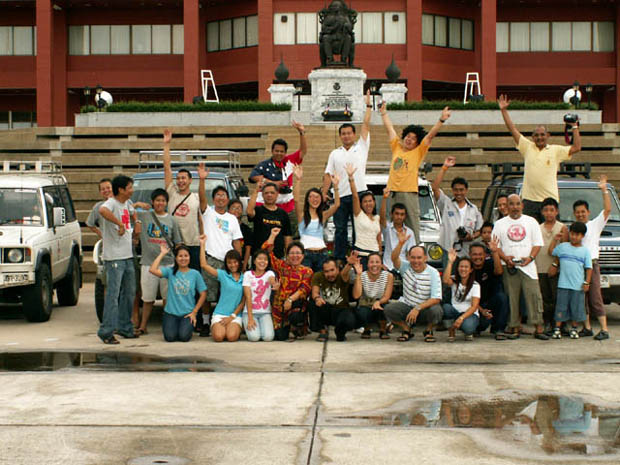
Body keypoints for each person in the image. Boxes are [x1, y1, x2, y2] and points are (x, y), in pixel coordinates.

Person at [498, 94, 581, 222]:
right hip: (529, 201)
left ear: (548, 135)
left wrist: (575, 126)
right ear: (532, 137)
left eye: (542, 135)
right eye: (536, 135)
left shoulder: (555, 150)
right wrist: (503, 110)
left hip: (549, 201)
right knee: (529, 232)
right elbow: (512, 129)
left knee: (550, 232)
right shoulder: (527, 147)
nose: (539, 138)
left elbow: (577, 147)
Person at [380, 100, 451, 244]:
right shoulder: (396, 147)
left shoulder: (418, 152)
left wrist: (441, 120)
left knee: (412, 225)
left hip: (408, 193)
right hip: (392, 192)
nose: (409, 139)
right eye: (408, 136)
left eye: (413, 138)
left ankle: (415, 250)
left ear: (417, 142)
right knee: (392, 227)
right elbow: (390, 129)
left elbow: (430, 136)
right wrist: (384, 113)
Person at [322, 91, 372, 264]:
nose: (346, 136)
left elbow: (366, 125)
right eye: (343, 133)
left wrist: (368, 106)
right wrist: (324, 192)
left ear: (354, 134)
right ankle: (339, 259)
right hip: (341, 196)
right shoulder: (334, 153)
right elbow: (328, 174)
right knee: (340, 229)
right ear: (340, 136)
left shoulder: (362, 147)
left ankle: (361, 258)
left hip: (360, 194)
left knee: (360, 228)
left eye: (349, 133)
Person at [492, 194, 548, 340]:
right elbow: (495, 246)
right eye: (511, 204)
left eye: (517, 204)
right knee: (512, 298)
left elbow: (537, 244)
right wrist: (505, 258)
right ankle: (514, 328)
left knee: (534, 296)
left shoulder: (531, 222)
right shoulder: (499, 224)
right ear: (507, 206)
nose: (515, 207)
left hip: (528, 266)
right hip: (509, 267)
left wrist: (530, 258)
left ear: (522, 205)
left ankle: (538, 328)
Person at [199, 164, 243, 335]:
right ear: (213, 199)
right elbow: (202, 199)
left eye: (223, 195)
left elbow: (237, 242)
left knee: (226, 293)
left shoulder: (232, 219)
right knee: (207, 293)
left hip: (228, 262)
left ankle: (226, 319)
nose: (220, 198)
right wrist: (202, 180)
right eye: (217, 195)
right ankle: (205, 322)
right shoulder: (208, 213)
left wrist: (240, 262)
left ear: (227, 199)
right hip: (210, 258)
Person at [97, 175, 141, 344]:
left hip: (127, 255)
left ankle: (125, 327)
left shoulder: (127, 203)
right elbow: (102, 211)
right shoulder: (111, 203)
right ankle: (106, 331)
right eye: (129, 187)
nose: (132, 190)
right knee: (113, 295)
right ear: (121, 190)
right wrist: (119, 224)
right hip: (114, 257)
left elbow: (133, 212)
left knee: (129, 292)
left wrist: (136, 223)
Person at [135, 188, 182, 335]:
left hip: (168, 264)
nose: (160, 203)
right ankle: (143, 325)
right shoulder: (144, 216)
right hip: (148, 263)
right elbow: (127, 210)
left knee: (167, 298)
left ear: (167, 203)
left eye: (163, 200)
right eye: (157, 200)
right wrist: (138, 204)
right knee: (147, 298)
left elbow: (178, 242)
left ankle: (167, 326)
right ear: (152, 202)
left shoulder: (172, 220)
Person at [571, 175, 611, 340]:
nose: (580, 214)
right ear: (574, 214)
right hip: (577, 267)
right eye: (578, 212)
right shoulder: (573, 228)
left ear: (588, 212)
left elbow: (607, 210)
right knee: (582, 299)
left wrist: (604, 190)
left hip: (591, 265)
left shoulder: (595, 224)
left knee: (595, 297)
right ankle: (586, 327)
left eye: (583, 212)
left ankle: (604, 329)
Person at [385, 229, 443, 343]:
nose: (416, 261)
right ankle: (406, 329)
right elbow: (394, 258)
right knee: (389, 309)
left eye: (419, 258)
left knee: (437, 310)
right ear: (408, 257)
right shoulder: (405, 267)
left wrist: (418, 308)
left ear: (425, 258)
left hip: (424, 309)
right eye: (413, 257)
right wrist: (400, 244)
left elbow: (436, 298)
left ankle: (428, 330)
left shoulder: (433, 272)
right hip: (408, 307)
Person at [249, 120, 307, 234]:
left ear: (285, 152)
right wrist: (272, 183)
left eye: (282, 151)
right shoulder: (265, 164)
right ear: (272, 151)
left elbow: (303, 151)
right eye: (276, 151)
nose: (279, 153)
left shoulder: (289, 161)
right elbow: (253, 176)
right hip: (267, 207)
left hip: (287, 206)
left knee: (290, 235)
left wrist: (302, 133)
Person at [262, 227, 313, 341]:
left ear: (303, 255)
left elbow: (304, 289)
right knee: (280, 337)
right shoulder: (281, 266)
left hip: (295, 306)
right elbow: (266, 252)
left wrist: (290, 300)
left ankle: (296, 327)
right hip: (279, 308)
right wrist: (272, 235)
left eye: (298, 253)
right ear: (287, 255)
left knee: (296, 316)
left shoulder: (307, 271)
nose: (295, 256)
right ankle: (286, 328)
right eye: (292, 253)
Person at [149, 243, 207, 342]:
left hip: (188, 313)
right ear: (176, 258)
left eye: (186, 256)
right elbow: (152, 270)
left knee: (184, 337)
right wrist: (162, 253)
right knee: (170, 337)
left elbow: (203, 293)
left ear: (190, 257)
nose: (183, 258)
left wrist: (194, 312)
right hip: (171, 313)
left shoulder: (195, 274)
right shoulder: (170, 271)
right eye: (180, 256)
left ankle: (187, 327)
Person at [163, 129, 202, 269]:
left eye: (184, 178)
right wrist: (166, 145)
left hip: (193, 244)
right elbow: (167, 168)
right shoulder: (172, 193)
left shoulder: (196, 197)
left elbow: (201, 221)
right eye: (178, 178)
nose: (180, 181)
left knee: (194, 276)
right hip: (174, 244)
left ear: (190, 180)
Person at [548, 222, 592, 340]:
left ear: (582, 236)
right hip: (563, 285)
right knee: (561, 307)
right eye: (572, 234)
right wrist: (555, 240)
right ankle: (557, 329)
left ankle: (574, 328)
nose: (574, 237)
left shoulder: (585, 251)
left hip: (578, 286)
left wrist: (587, 282)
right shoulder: (563, 247)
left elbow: (589, 268)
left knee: (576, 308)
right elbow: (551, 251)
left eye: (577, 235)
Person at [432, 156, 483, 258]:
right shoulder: (446, 203)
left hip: (466, 251)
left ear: (466, 190)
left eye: (461, 190)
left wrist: (471, 236)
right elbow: (434, 188)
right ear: (452, 190)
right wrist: (444, 168)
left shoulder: (473, 209)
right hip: (448, 249)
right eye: (456, 190)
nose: (458, 193)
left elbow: (480, 230)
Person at [293, 165, 340, 271]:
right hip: (306, 253)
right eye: (312, 197)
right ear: (307, 199)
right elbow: (296, 200)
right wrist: (298, 180)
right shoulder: (301, 215)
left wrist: (336, 186)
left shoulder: (323, 215)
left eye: (317, 197)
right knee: (306, 279)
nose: (315, 199)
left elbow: (337, 205)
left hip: (322, 254)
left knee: (321, 280)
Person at [199, 235, 245, 342]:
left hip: (235, 315)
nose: (232, 265)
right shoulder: (223, 274)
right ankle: (219, 327)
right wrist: (202, 245)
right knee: (219, 337)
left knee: (231, 337)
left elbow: (243, 301)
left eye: (235, 262)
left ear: (239, 262)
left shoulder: (245, 277)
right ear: (226, 264)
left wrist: (232, 317)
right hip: (220, 313)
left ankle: (234, 328)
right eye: (229, 262)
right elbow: (204, 265)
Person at [536, 197, 568, 334]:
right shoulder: (538, 228)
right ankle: (548, 323)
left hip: (556, 268)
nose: (549, 213)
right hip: (541, 267)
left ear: (557, 211)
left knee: (558, 297)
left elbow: (565, 249)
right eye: (546, 210)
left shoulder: (562, 228)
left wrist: (555, 264)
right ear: (542, 212)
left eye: (552, 210)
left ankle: (561, 324)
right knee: (545, 298)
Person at [309, 257, 356, 342]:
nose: (330, 274)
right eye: (326, 271)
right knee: (313, 301)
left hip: (341, 310)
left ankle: (340, 333)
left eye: (332, 270)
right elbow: (315, 292)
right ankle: (322, 330)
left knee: (348, 320)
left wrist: (349, 264)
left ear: (337, 269)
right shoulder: (318, 276)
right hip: (326, 309)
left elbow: (345, 272)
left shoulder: (342, 276)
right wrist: (317, 298)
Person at [470, 241, 509, 340]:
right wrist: (481, 310)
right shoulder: (466, 267)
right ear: (470, 255)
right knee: (476, 325)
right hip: (473, 305)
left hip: (490, 303)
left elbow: (499, 271)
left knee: (502, 297)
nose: (477, 257)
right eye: (474, 254)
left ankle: (499, 330)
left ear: (485, 255)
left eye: (480, 254)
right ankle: (475, 328)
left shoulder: (490, 263)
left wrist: (495, 252)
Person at [345, 163, 381, 268]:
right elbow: (355, 196)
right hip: (361, 255)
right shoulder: (358, 214)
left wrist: (380, 256)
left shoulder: (377, 218)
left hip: (375, 257)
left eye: (370, 201)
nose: (368, 204)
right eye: (365, 201)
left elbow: (378, 239)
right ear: (361, 204)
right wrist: (351, 178)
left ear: (374, 202)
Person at [352, 252, 393, 339]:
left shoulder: (388, 276)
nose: (374, 265)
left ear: (381, 264)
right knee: (362, 312)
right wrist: (358, 275)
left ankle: (383, 329)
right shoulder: (362, 275)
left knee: (385, 308)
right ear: (367, 264)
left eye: (377, 262)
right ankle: (367, 328)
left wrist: (378, 302)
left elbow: (387, 296)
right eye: (371, 262)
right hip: (366, 303)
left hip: (381, 302)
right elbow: (356, 296)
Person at [247, 179, 292, 259]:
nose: (269, 195)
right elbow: (249, 212)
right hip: (259, 257)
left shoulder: (283, 214)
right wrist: (256, 191)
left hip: (278, 257)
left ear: (277, 194)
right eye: (266, 193)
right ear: (262, 195)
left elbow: (287, 236)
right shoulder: (258, 210)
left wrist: (288, 256)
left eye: (272, 193)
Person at [442, 250, 481, 342]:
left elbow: (474, 306)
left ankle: (467, 331)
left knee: (468, 327)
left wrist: (461, 318)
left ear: (471, 270)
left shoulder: (475, 285)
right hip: (455, 312)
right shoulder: (454, 280)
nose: (463, 269)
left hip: (469, 314)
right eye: (461, 266)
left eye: (466, 267)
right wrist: (450, 262)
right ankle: (451, 330)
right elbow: (445, 280)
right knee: (446, 308)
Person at [242, 249, 279, 342]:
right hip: (249, 312)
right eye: (260, 258)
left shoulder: (269, 273)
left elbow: (271, 280)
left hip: (265, 312)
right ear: (254, 261)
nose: (262, 261)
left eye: (265, 259)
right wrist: (250, 318)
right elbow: (248, 297)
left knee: (268, 337)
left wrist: (274, 284)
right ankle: (247, 324)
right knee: (254, 338)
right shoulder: (247, 274)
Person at [379, 188, 415, 272]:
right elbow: (382, 217)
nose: (399, 217)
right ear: (391, 214)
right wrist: (384, 198)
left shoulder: (409, 232)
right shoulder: (387, 228)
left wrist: (408, 270)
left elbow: (411, 253)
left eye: (402, 214)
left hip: (402, 268)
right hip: (387, 267)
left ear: (405, 216)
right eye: (397, 214)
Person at [228, 199, 253, 271]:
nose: (236, 210)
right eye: (233, 208)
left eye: (238, 208)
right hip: (227, 262)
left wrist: (244, 265)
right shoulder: (225, 227)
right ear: (228, 210)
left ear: (242, 211)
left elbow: (248, 248)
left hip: (241, 262)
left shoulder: (246, 229)